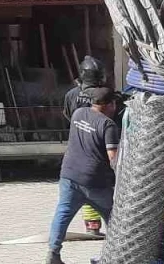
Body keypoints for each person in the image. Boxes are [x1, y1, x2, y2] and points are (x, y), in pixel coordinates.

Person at [47, 87, 121, 264]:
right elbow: (113, 158)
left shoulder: (78, 113)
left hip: (69, 175)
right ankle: (116, 255)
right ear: (109, 105)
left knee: (62, 214)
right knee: (114, 218)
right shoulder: (108, 125)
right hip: (95, 182)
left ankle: (53, 253)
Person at [61, 56, 107, 236]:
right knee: (100, 186)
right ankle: (108, 225)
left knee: (82, 185)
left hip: (77, 145)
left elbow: (67, 115)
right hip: (101, 144)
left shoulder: (71, 95)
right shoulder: (105, 94)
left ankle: (92, 225)